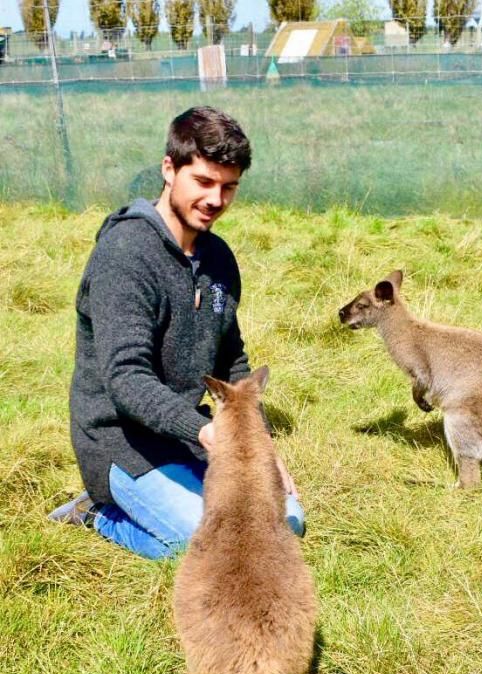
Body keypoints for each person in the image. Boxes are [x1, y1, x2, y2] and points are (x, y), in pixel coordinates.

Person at [49, 106, 305, 559]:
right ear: (170, 169)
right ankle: (99, 513)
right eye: (204, 182)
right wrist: (206, 433)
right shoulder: (125, 255)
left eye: (229, 188)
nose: (216, 199)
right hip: (119, 443)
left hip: (187, 433)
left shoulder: (219, 259)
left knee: (286, 523)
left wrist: (259, 446)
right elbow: (126, 378)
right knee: (216, 546)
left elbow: (233, 362)